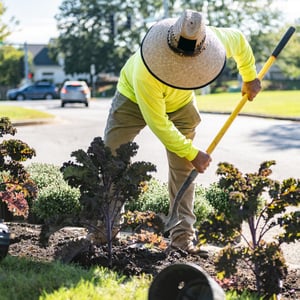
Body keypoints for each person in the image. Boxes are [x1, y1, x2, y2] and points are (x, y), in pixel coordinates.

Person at [104, 9, 261, 256]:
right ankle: (105, 230)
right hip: (132, 100)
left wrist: (250, 77)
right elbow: (158, 124)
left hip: (181, 104)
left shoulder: (211, 39)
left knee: (183, 170)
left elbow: (240, 40)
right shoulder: (146, 72)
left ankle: (182, 240)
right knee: (111, 158)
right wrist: (191, 152)